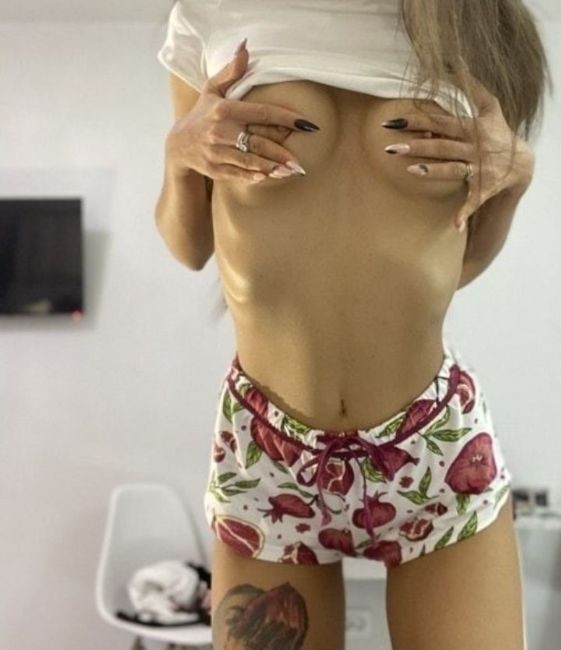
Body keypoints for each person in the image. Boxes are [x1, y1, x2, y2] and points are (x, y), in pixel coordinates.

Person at [155, 1, 548, 648]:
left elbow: (449, 268)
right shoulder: (210, 14)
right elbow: (190, 244)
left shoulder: (475, 23)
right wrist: (178, 156)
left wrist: (512, 183)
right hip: (268, 455)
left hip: (433, 446)